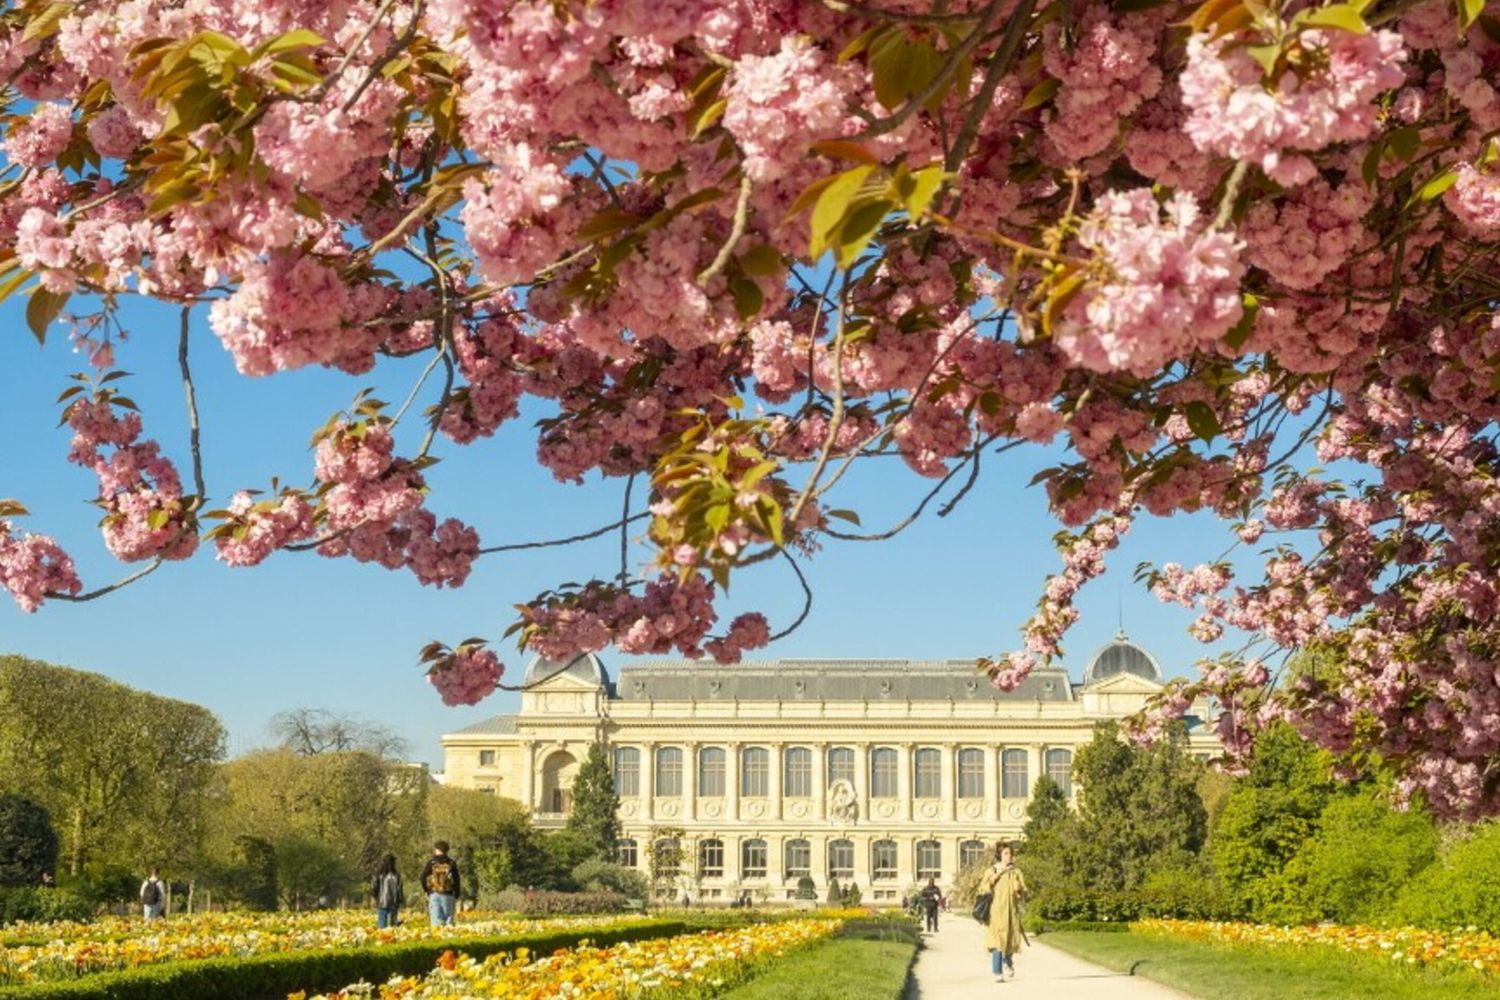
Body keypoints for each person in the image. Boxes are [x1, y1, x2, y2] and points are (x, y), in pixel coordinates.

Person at [977, 842, 1027, 982]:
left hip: (1011, 912)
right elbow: (981, 890)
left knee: (1009, 941)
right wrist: (991, 882)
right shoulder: (991, 871)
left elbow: (1024, 894)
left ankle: (1008, 963)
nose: (1009, 856)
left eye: (1010, 853)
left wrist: (1019, 890)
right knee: (997, 941)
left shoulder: (1016, 872)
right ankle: (997, 972)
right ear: (999, 855)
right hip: (996, 912)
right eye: (1006, 853)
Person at [420, 840, 461, 927]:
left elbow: (422, 877)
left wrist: (426, 890)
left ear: (438, 850)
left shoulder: (431, 863)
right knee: (448, 919)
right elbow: (457, 879)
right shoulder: (451, 863)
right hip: (448, 894)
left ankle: (438, 937)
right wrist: (456, 894)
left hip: (434, 893)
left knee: (436, 921)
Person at [371, 853, 405, 929]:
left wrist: (374, 896)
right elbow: (400, 889)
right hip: (394, 901)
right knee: (393, 923)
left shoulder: (378, 874)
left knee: (382, 923)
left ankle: (383, 935)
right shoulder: (397, 875)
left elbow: (374, 886)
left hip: (382, 901)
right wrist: (401, 901)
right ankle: (393, 935)